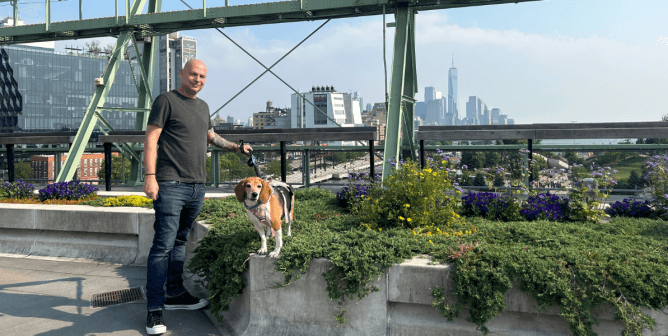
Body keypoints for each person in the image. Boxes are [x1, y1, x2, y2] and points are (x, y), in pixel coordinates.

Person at [142, 59, 251, 335]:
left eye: (202, 76)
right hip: (170, 184)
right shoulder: (165, 100)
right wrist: (150, 176)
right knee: (162, 246)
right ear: (181, 74)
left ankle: (175, 293)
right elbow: (151, 139)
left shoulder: (202, 106)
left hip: (196, 187)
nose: (198, 79)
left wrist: (237, 148)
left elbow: (209, 136)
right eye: (193, 74)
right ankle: (154, 309)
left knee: (180, 241)